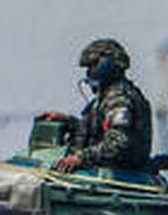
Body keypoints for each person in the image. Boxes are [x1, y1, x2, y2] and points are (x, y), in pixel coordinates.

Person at [52, 38, 152, 173]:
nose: (88, 73)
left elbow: (117, 143)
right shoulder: (105, 98)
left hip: (119, 174)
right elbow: (97, 132)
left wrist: (80, 158)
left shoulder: (119, 99)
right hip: (104, 170)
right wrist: (70, 122)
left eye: (92, 66)